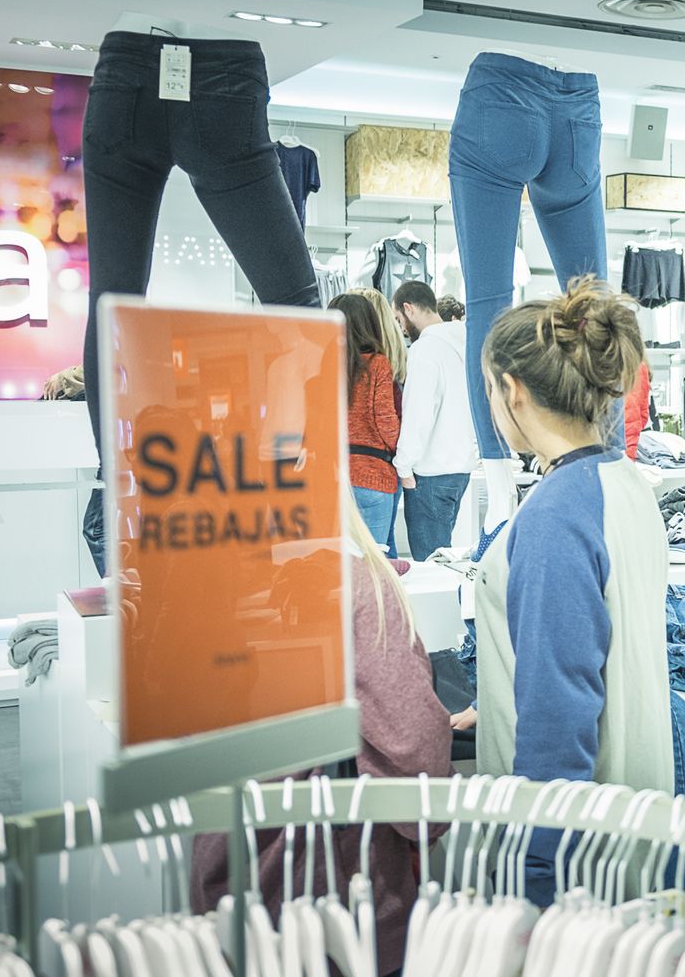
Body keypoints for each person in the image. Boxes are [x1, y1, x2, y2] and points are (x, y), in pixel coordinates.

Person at [191, 492, 452, 977]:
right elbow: (413, 743)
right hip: (334, 884)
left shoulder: (197, 581)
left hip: (228, 874)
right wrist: (426, 827)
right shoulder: (357, 589)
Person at [472, 277, 673, 905]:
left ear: (512, 391)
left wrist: (535, 889)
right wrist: (511, 686)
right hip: (629, 838)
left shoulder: (557, 515)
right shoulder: (627, 483)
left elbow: (562, 720)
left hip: (572, 870)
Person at [391, 280, 476, 560]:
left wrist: (403, 466)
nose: (401, 328)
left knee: (430, 566)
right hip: (460, 468)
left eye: (398, 319)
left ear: (408, 309)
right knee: (445, 560)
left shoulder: (425, 350)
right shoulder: (467, 343)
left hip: (429, 473)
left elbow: (419, 414)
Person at [330, 293, 402, 547]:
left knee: (340, 565)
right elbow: (385, 419)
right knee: (374, 565)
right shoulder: (377, 364)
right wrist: (400, 451)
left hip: (333, 475)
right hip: (373, 474)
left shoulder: (324, 364)